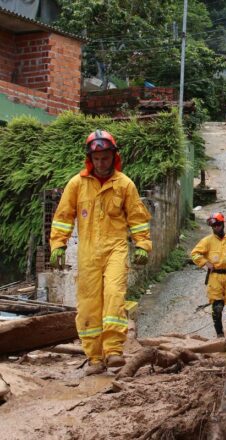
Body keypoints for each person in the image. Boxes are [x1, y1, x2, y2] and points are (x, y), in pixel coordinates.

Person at [49, 129, 152, 375]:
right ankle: (94, 357)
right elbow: (63, 217)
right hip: (88, 253)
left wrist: (142, 245)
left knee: (115, 295)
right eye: (96, 158)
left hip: (115, 248)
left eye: (105, 157)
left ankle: (114, 350)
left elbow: (138, 219)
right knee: (88, 304)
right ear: (90, 159)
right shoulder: (77, 184)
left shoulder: (125, 185)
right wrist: (58, 244)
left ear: (113, 157)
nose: (101, 162)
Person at [190, 212, 226, 338]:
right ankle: (220, 335)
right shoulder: (207, 241)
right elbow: (195, 254)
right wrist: (205, 262)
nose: (216, 227)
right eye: (213, 226)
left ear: (222, 224)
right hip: (215, 277)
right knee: (217, 308)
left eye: (217, 225)